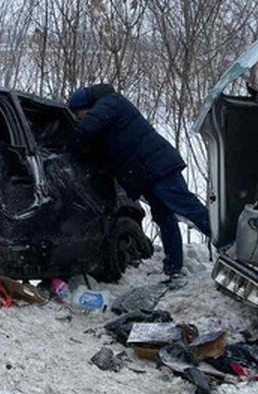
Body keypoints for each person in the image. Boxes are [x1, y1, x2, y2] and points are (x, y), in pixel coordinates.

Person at [67, 83, 211, 279]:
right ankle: (173, 267)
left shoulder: (111, 103)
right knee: (164, 218)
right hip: (149, 172)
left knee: (187, 207)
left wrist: (71, 144)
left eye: (79, 114)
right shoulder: (107, 111)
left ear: (86, 107)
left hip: (158, 166)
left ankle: (230, 244)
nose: (79, 118)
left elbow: (86, 129)